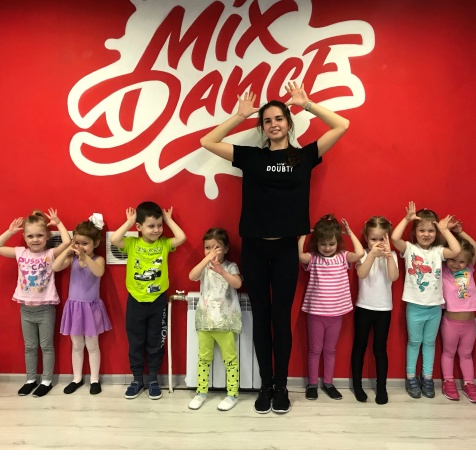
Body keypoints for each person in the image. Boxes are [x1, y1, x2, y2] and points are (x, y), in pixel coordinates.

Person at [200, 81, 350, 414]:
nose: (273, 124)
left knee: (281, 319)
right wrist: (240, 116)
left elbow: (342, 125)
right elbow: (207, 142)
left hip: (285, 250)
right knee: (261, 317)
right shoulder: (251, 157)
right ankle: (265, 386)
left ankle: (281, 386)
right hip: (254, 249)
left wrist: (307, 104)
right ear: (262, 127)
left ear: (288, 122)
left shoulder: (304, 156)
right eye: (267, 120)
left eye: (279, 118)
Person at [0, 208, 71, 397]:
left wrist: (59, 223)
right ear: (25, 237)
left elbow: (67, 242)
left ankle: (47, 381)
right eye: (30, 236)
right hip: (25, 309)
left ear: (47, 236)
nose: (35, 239)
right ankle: (30, 379)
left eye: (40, 235)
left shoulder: (50, 254)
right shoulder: (20, 253)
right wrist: (10, 231)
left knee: (47, 346)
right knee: (30, 347)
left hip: (46, 309)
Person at [110, 202, 186, 400]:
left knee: (155, 342)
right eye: (151, 226)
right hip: (135, 300)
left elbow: (181, 238)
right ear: (139, 227)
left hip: (157, 301)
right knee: (135, 342)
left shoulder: (164, 244)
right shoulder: (132, 243)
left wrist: (168, 220)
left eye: (159, 225)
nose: (156, 230)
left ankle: (152, 379)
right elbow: (114, 239)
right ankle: (137, 379)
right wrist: (129, 222)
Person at [390, 201, 461, 399]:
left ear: (436, 232)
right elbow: (395, 238)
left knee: (429, 343)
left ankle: (427, 377)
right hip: (414, 306)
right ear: (415, 232)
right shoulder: (410, 249)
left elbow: (455, 250)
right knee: (414, 342)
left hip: (435, 307)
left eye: (431, 230)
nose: (426, 234)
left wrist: (444, 230)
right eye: (422, 230)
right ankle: (411, 377)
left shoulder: (438, 251)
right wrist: (407, 219)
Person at [298, 215, 363, 401]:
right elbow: (299, 256)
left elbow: (359, 254)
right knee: (315, 350)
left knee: (330, 350)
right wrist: (303, 235)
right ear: (317, 244)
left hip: (336, 314)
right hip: (316, 313)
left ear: (337, 242)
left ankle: (328, 383)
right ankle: (312, 384)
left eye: (332, 244)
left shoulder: (343, 257)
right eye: (323, 244)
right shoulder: (313, 258)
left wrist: (349, 232)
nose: (327, 248)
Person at [52, 214, 111, 395]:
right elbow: (55, 267)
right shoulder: (73, 259)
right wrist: (67, 250)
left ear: (96, 243)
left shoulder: (98, 259)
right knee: (77, 345)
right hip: (74, 308)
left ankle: (94, 379)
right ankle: (76, 378)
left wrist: (85, 256)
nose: (81, 246)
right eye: (78, 242)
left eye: (85, 243)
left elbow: (98, 272)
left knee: (92, 345)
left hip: (91, 308)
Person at [187, 228, 243, 411]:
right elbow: (192, 276)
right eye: (207, 247)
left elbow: (237, 283)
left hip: (225, 323)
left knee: (230, 360)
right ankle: (201, 393)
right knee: (204, 359)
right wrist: (207, 259)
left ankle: (232, 394)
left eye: (216, 247)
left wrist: (221, 271)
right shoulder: (204, 267)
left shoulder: (231, 266)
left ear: (226, 248)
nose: (211, 251)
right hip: (206, 321)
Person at [351, 216, 399, 405]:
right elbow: (361, 274)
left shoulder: (392, 255)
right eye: (373, 239)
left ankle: (381, 388)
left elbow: (393, 277)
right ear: (366, 238)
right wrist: (371, 255)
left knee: (380, 349)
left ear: (388, 239)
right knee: (359, 347)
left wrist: (388, 256)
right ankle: (357, 385)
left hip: (383, 309)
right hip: (364, 308)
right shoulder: (362, 254)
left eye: (382, 239)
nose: (378, 243)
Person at [440, 219, 476, 403]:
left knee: (466, 354)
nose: (456, 264)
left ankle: (469, 383)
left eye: (461, 261)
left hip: (469, 323)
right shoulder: (443, 272)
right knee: (448, 352)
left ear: (468, 262)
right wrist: (446, 233)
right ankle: (448, 382)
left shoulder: (469, 270)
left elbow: (474, 246)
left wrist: (460, 232)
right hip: (450, 322)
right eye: (453, 260)